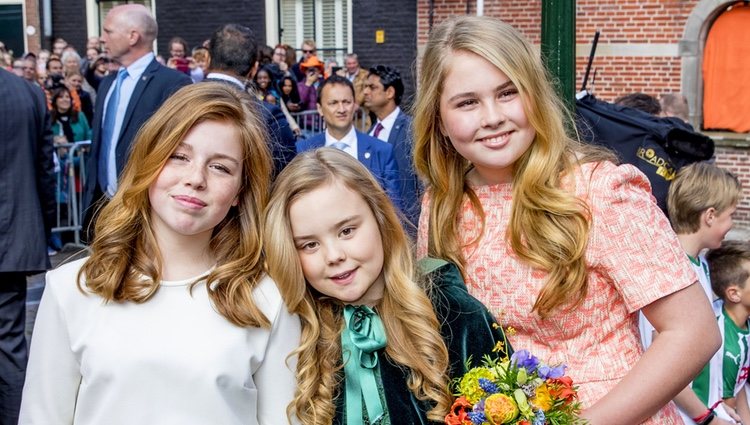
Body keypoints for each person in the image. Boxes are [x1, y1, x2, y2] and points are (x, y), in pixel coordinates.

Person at [413, 16, 720, 424]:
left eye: (508, 93)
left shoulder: (602, 191)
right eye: (467, 102)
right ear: (438, 119)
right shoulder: (442, 203)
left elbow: (693, 333)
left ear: (535, 95)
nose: (492, 117)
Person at [19, 82, 301, 424]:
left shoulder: (267, 299)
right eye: (178, 156)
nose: (195, 178)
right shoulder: (72, 289)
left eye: (220, 167)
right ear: (150, 162)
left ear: (241, 191)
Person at [264, 148, 509, 424]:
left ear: (380, 217)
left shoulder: (455, 316)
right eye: (309, 244)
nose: (333, 256)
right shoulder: (296, 332)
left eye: (347, 231)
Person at [82, 4, 191, 234]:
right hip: (102, 210)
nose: (102, 39)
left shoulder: (172, 84)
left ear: (133, 36)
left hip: (144, 212)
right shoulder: (108, 83)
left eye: (108, 31)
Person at [648, 163, 742, 425]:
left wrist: (717, 403)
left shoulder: (698, 264)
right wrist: (707, 418)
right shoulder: (671, 268)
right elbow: (664, 364)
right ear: (710, 216)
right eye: (731, 215)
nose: (732, 225)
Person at [0, 67, 56, 425]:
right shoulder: (29, 93)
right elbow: (45, 170)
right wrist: (43, 224)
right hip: (14, 235)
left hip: (15, 236)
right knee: (9, 344)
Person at [203, 23, 296, 176]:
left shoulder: (174, 103)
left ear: (207, 59)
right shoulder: (268, 117)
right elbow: (285, 179)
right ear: (254, 69)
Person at [296, 75, 400, 211]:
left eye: (346, 102)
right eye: (333, 103)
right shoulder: (303, 151)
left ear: (355, 105)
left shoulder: (381, 151)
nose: (341, 109)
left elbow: (396, 209)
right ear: (320, 108)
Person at [690, 241, 750, 425]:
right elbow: (728, 404)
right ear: (734, 294)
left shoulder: (739, 322)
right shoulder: (726, 343)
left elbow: (739, 383)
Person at [364, 65, 420, 229]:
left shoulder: (411, 128)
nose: (366, 92)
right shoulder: (371, 131)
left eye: (372, 87)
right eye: (365, 87)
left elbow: (422, 180)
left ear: (390, 92)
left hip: (407, 223)